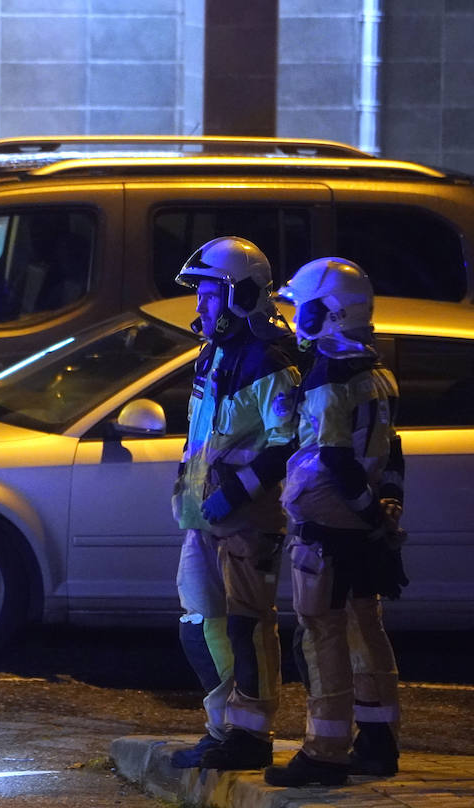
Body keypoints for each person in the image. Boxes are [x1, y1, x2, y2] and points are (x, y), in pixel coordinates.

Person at [264, 258, 407, 787]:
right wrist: (385, 506)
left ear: (330, 312)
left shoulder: (329, 375)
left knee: (321, 635)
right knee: (365, 630)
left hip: (327, 523)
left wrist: (368, 514)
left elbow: (333, 456)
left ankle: (325, 751)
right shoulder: (377, 371)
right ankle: (377, 741)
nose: (296, 317)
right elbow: (392, 451)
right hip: (361, 522)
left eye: (304, 307)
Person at [168, 236, 301, 771]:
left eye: (208, 294)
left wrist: (236, 492)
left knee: (249, 625)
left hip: (247, 521)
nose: (199, 305)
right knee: (200, 622)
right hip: (205, 517)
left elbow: (286, 442)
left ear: (240, 295)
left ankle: (252, 736)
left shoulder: (269, 361)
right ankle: (224, 728)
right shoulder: (214, 353)